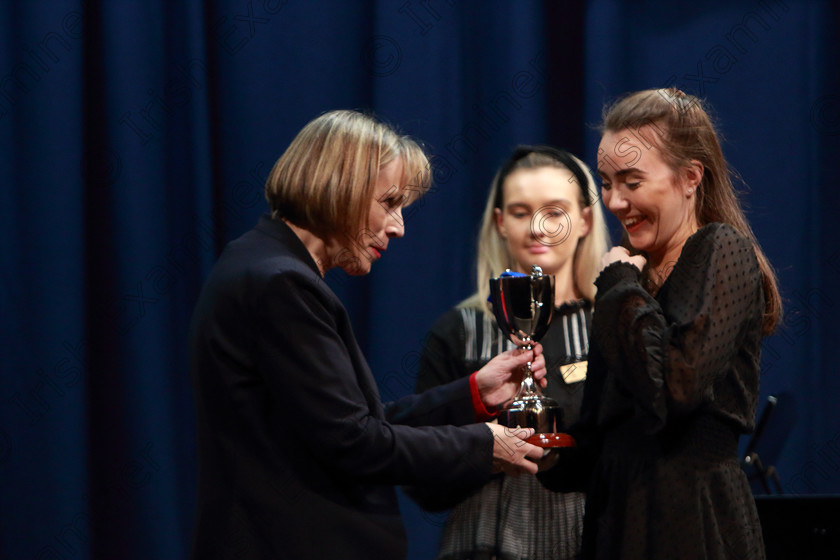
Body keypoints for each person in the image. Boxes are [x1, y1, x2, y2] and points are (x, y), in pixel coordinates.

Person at [188, 110, 548, 560]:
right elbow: (354, 444)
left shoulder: (259, 264)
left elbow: (348, 427)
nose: (398, 227)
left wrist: (474, 394)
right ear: (342, 185)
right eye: (390, 202)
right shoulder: (280, 284)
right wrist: (483, 444)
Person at [538, 88, 782, 559]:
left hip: (692, 522)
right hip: (616, 526)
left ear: (690, 177)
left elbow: (676, 387)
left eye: (631, 181)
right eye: (606, 183)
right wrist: (541, 443)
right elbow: (599, 441)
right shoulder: (628, 284)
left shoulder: (719, 248)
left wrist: (619, 285)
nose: (613, 201)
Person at [411, 146, 610, 559]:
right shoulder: (458, 332)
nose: (538, 228)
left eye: (555, 211)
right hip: (481, 543)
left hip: (589, 540)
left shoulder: (613, 324)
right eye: (521, 212)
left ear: (586, 220)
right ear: (500, 223)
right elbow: (422, 482)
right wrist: (486, 451)